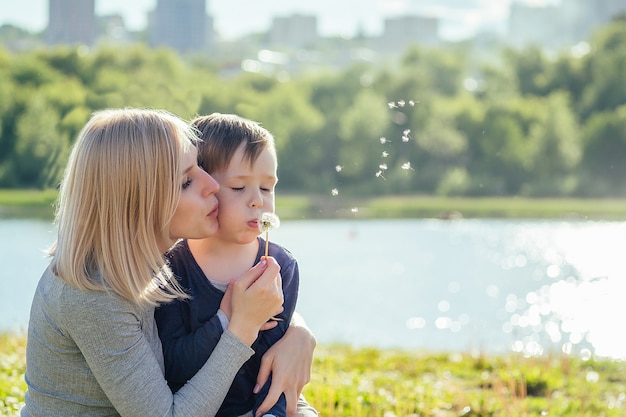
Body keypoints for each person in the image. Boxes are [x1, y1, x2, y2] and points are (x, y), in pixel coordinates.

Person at [21, 108, 315, 417]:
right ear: (142, 201)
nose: (213, 184)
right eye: (187, 180)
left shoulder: (139, 261)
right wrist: (240, 327)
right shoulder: (94, 294)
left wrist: (297, 331)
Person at [155, 113, 317, 417]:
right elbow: (173, 364)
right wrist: (228, 318)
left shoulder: (281, 266)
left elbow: (274, 366)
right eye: (239, 188)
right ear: (204, 186)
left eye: (267, 188)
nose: (258, 201)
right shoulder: (171, 269)